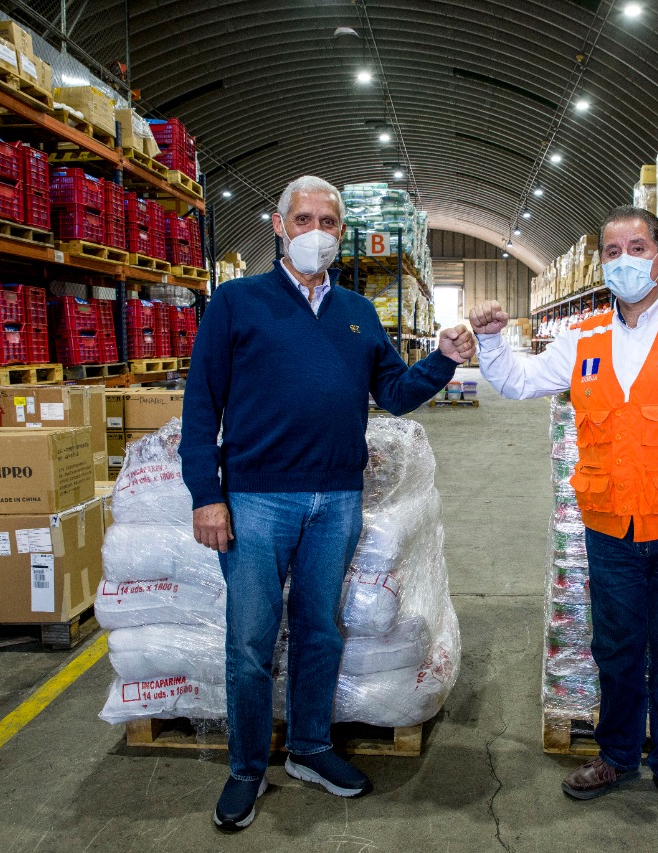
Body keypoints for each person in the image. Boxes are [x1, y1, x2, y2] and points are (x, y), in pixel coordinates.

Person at [180, 175, 476, 833]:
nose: (318, 231)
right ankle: (246, 768)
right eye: (305, 219)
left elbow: (394, 392)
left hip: (335, 497)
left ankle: (312, 746)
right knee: (252, 640)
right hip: (256, 499)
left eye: (330, 222)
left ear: (342, 234)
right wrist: (207, 495)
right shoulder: (236, 303)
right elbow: (202, 404)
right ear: (279, 226)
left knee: (320, 628)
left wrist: (444, 360)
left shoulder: (358, 312)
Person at [468, 206, 658, 829]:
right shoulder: (583, 339)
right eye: (611, 250)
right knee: (618, 649)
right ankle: (617, 755)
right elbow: (520, 382)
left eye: (636, 246)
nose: (623, 259)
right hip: (611, 528)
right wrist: (490, 343)